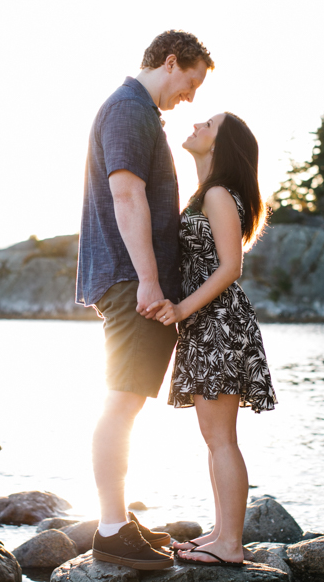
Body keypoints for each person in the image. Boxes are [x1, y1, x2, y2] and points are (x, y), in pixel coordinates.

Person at [75, 30, 214, 570]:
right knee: (123, 400)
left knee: (127, 400)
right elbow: (127, 194)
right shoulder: (129, 110)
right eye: (191, 81)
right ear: (171, 62)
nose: (191, 97)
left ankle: (117, 521)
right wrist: (150, 280)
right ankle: (110, 529)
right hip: (134, 281)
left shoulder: (136, 113)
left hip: (133, 277)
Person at [146, 112, 277, 567]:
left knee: (222, 439)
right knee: (214, 438)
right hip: (209, 324)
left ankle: (231, 545)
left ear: (222, 146)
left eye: (209, 125)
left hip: (218, 322)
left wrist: (182, 308)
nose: (197, 124)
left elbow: (230, 268)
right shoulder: (208, 193)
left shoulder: (220, 195)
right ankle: (221, 532)